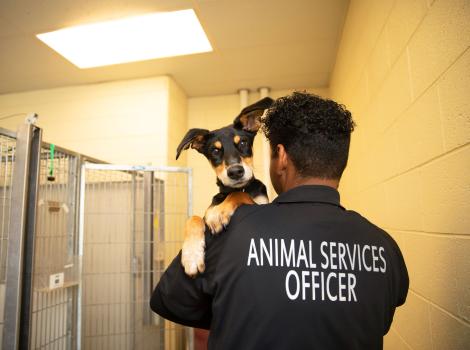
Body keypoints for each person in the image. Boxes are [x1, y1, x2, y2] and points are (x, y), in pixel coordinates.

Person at [150, 91, 409, 349]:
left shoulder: (228, 231)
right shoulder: (386, 248)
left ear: (282, 157)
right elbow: (380, 317)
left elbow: (168, 301)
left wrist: (235, 315)